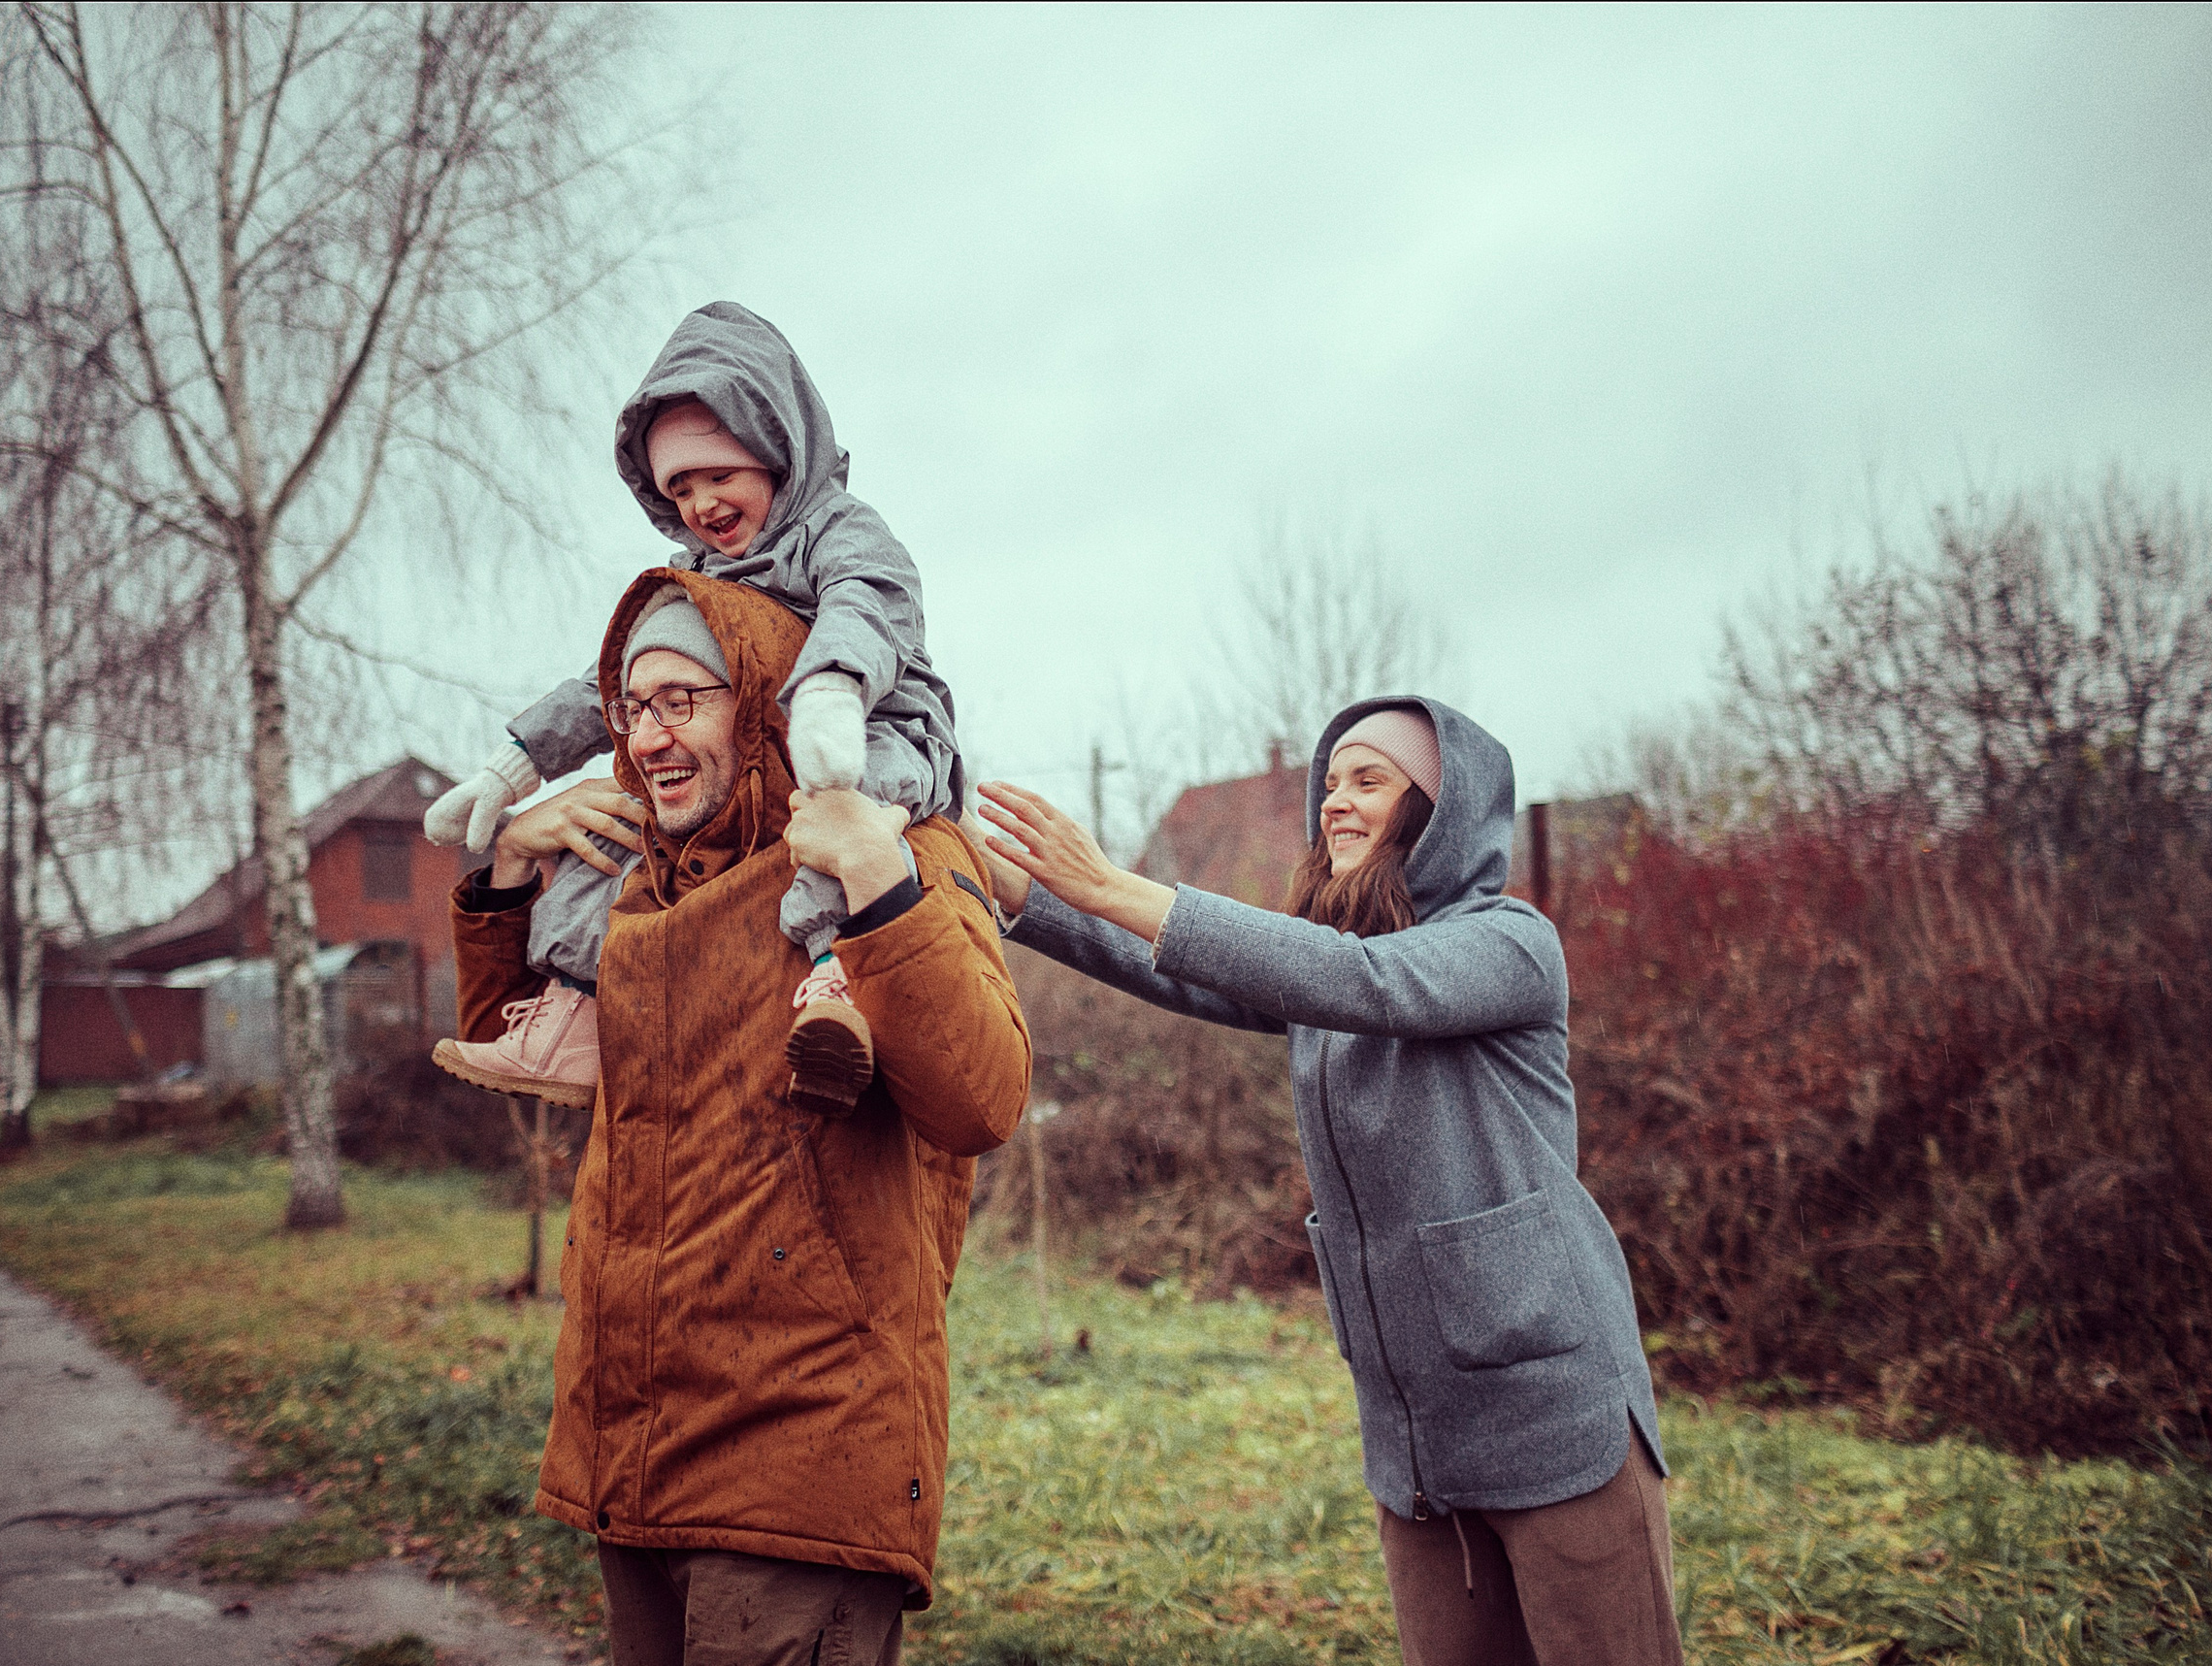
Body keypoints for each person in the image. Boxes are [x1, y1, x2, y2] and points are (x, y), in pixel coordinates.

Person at [974, 697, 1683, 1666]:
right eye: (1329, 783)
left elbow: (1359, 980)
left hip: (1557, 1421)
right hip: (1418, 1444)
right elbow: (1179, 965)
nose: (1333, 804)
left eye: (1367, 780)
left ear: (1437, 812)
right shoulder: (1323, 970)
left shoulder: (1510, 944)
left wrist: (1109, 881)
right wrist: (997, 877)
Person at [447, 570, 1029, 1666]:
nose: (650, 738)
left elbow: (981, 1098)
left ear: (766, 703)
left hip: (801, 1458)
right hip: (635, 1447)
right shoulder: (639, 884)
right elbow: (514, 1050)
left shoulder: (897, 849)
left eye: (685, 700)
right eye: (632, 706)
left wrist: (884, 888)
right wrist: (511, 871)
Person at [427, 301, 961, 1117]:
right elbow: (597, 685)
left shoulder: (838, 533)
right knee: (616, 821)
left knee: (842, 817)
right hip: (751, 752)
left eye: (721, 474)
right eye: (680, 485)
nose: (703, 502)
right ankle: (571, 1010)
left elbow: (868, 602)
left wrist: (829, 693)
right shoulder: (696, 577)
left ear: (779, 454)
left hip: (873, 720)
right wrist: (511, 770)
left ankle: (836, 976)